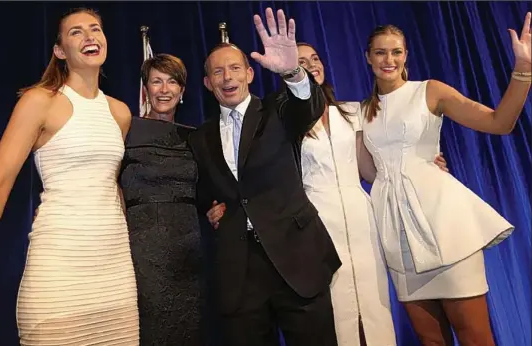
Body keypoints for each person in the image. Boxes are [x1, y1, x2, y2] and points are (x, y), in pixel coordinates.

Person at [207, 42, 450, 346]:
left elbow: (372, 170)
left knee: (374, 305)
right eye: (300, 62)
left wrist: (420, 166)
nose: (311, 66)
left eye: (315, 59)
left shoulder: (352, 112)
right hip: (315, 222)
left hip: (360, 218)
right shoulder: (283, 116)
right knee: (336, 313)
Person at [0, 8, 139, 345]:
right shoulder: (39, 102)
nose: (90, 36)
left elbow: (110, 186)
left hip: (114, 272)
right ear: (60, 51)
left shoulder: (120, 112)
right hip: (59, 268)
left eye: (96, 29)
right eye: (76, 32)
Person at [359, 13, 531, 345]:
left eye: (396, 51)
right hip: (397, 234)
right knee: (432, 341)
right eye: (380, 52)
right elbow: (369, 172)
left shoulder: (429, 91)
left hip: (443, 225)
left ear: (406, 55)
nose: (388, 59)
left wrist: (524, 70)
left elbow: (499, 122)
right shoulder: (361, 110)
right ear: (368, 57)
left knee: (475, 336)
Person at [188, 8, 341, 346]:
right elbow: (201, 192)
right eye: (217, 72)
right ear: (207, 83)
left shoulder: (277, 110)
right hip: (239, 272)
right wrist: (209, 209)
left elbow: (309, 105)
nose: (227, 77)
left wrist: (293, 72)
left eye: (234, 68)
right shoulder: (200, 137)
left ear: (249, 74)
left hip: (296, 260)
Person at [118, 54, 211, 345]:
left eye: (172, 82)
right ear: (146, 89)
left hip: (188, 247)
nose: (164, 89)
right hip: (141, 245)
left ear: (182, 91)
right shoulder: (127, 130)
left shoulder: (195, 137)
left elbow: (212, 187)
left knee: (189, 328)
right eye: (156, 81)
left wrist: (219, 207)